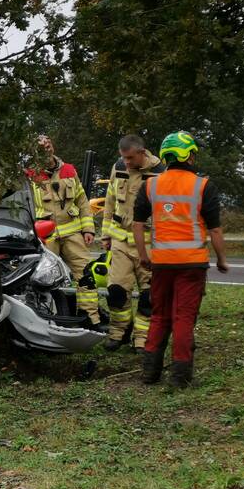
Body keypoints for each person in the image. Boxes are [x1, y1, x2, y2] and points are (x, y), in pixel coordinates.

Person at [133, 131, 229, 388]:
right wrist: (221, 259)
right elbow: (215, 230)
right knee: (183, 317)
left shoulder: (150, 185)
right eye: (194, 152)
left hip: (161, 263)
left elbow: (138, 224)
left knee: (159, 315)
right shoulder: (203, 186)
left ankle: (149, 374)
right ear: (188, 155)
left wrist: (143, 256)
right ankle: (180, 377)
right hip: (192, 265)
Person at [27, 134, 101, 327]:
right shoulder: (29, 175)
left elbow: (83, 202)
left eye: (48, 144)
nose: (46, 148)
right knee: (43, 279)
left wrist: (88, 229)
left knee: (87, 276)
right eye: (41, 147)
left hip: (73, 234)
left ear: (53, 146)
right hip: (45, 238)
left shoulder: (69, 170)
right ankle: (48, 320)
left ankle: (89, 318)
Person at [101, 135, 162, 352]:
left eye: (129, 158)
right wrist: (105, 234)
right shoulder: (118, 167)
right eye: (123, 158)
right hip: (120, 241)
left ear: (142, 152)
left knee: (149, 296)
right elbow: (109, 201)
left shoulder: (160, 172)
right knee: (116, 291)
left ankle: (142, 338)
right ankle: (119, 332)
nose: (126, 162)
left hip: (149, 245)